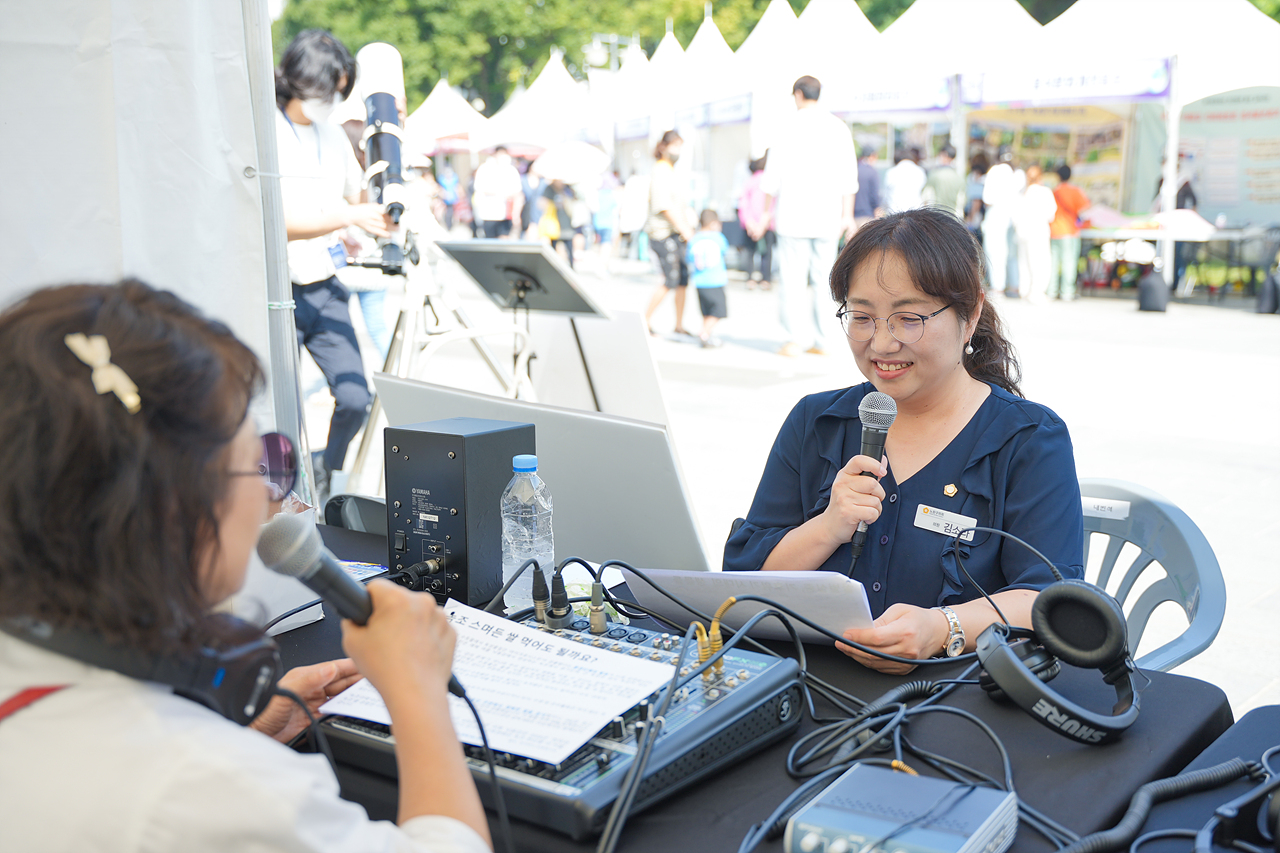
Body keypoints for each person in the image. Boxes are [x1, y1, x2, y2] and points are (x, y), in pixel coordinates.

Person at [0, 280, 491, 852]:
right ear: (174, 512)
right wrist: (419, 692)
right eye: (253, 466)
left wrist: (241, 737)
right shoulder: (206, 787)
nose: (270, 500)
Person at [724, 208, 1084, 674]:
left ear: (970, 314)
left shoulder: (1029, 439)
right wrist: (829, 525)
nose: (882, 344)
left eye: (908, 318)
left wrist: (943, 628)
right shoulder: (817, 421)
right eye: (862, 317)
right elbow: (746, 583)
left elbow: (1046, 598)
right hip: (807, 684)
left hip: (959, 699)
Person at [274, 29, 383, 504]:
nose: (335, 99)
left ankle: (325, 468)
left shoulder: (333, 135)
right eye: (332, 89)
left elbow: (358, 198)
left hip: (323, 283)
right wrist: (345, 217)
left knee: (357, 396)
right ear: (304, 79)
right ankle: (278, 501)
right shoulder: (264, 129)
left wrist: (366, 219)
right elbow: (272, 223)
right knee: (279, 409)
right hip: (277, 289)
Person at [751, 76, 858, 357]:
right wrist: (847, 215)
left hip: (792, 215)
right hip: (828, 216)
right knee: (826, 280)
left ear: (798, 95)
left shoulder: (787, 126)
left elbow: (770, 178)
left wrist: (764, 214)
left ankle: (793, 339)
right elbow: (849, 175)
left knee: (791, 280)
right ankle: (822, 340)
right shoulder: (837, 127)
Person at [643, 130, 695, 337]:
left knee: (682, 280)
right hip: (662, 233)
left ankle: (679, 324)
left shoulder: (672, 170)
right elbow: (664, 205)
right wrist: (685, 229)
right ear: (663, 147)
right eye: (674, 146)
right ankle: (644, 320)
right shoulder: (661, 170)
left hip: (677, 234)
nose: (678, 151)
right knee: (669, 279)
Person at [1013, 164, 1058, 304]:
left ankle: (1024, 289)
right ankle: (1037, 292)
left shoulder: (1022, 193)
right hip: (1039, 231)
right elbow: (1051, 214)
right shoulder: (1044, 192)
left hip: (1022, 232)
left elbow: (1014, 215)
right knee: (1040, 262)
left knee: (1024, 261)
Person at [687, 209, 731, 348]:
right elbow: (725, 250)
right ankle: (704, 333)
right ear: (714, 223)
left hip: (700, 282)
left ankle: (707, 333)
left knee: (706, 311)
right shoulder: (718, 238)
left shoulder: (694, 239)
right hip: (715, 280)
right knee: (718, 311)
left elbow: (689, 258)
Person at [1050, 164, 1091, 301]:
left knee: (1054, 262)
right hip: (1070, 230)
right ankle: (1067, 292)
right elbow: (1084, 210)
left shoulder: (1054, 191)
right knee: (1069, 262)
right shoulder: (1075, 191)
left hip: (1054, 230)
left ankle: (1052, 290)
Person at [738, 154, 775, 290]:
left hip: (750, 224)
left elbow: (743, 203)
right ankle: (766, 279)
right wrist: (763, 224)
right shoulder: (769, 181)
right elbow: (773, 204)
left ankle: (750, 279)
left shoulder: (749, 181)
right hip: (767, 224)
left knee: (749, 252)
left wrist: (749, 222)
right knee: (767, 253)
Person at [472, 146, 523, 239]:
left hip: (506, 214)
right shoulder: (485, 168)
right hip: (489, 214)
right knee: (490, 241)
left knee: (504, 239)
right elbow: (480, 189)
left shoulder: (511, 170)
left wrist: (516, 214)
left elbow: (517, 193)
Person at [922, 144, 966, 218]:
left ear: (944, 155)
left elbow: (926, 197)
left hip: (936, 218)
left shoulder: (934, 175)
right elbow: (961, 201)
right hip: (953, 218)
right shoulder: (959, 178)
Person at [883, 147, 926, 214]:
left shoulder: (891, 172)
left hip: (894, 213)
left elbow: (886, 195)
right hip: (915, 212)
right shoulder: (920, 171)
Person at [853, 146, 883, 231]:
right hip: (866, 215)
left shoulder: (855, 168)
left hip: (851, 215)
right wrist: (877, 210)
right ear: (872, 156)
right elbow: (874, 194)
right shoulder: (872, 172)